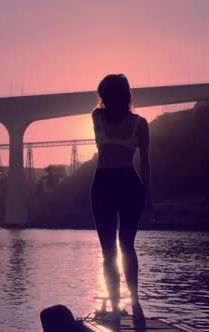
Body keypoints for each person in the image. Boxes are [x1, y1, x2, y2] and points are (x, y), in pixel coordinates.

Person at [90, 74, 151, 322]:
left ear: (108, 96)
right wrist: (148, 196)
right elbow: (145, 165)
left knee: (117, 249)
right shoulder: (138, 122)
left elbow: (146, 164)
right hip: (119, 184)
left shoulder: (100, 117)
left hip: (112, 183)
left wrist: (148, 197)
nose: (102, 100)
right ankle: (128, 304)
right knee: (121, 247)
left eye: (104, 95)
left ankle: (125, 305)